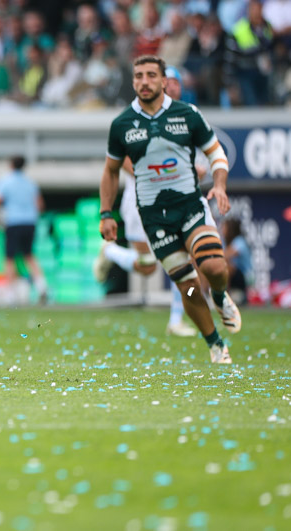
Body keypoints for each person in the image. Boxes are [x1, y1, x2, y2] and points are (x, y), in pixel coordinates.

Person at [100, 55, 241, 364]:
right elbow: (110, 171)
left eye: (151, 75)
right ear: (133, 81)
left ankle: (219, 296)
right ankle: (215, 344)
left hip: (190, 206)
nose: (144, 81)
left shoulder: (187, 115)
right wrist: (105, 213)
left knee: (214, 268)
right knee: (187, 287)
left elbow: (216, 153)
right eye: (139, 76)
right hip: (154, 217)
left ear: (164, 81)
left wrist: (219, 184)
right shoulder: (122, 124)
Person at [93, 66, 201, 337]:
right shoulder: (134, 118)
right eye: (169, 82)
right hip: (140, 202)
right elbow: (123, 163)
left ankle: (177, 319)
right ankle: (111, 252)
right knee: (148, 266)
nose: (173, 87)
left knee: (183, 260)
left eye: (176, 83)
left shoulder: (186, 116)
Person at [0, 156, 49, 304]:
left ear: (11, 165)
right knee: (29, 255)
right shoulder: (30, 183)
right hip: (30, 222)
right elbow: (40, 205)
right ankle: (42, 287)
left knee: (9, 258)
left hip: (13, 222)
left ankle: (10, 293)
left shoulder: (5, 181)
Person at [223, 219, 252, 303]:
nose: (222, 229)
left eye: (224, 227)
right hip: (235, 279)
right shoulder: (225, 242)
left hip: (245, 278)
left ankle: (223, 295)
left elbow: (224, 256)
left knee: (226, 266)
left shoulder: (239, 241)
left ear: (230, 229)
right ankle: (204, 294)